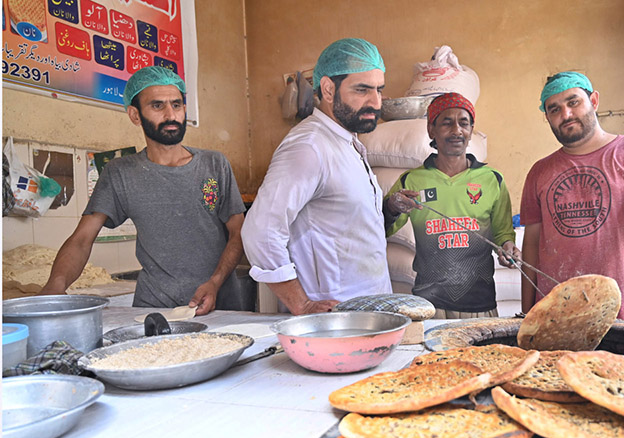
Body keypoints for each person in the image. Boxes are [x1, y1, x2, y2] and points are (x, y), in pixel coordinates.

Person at [40, 66, 246, 315]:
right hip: (153, 310)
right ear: (135, 115)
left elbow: (238, 233)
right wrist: (55, 286)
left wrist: (215, 281)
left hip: (220, 307)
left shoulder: (214, 164)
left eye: (176, 105)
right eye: (157, 106)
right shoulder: (120, 173)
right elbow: (82, 239)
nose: (171, 115)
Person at [241, 38, 393, 315]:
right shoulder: (309, 146)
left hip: (367, 311)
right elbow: (260, 232)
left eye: (379, 90)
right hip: (333, 321)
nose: (375, 102)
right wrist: (300, 303)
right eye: (362, 90)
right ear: (328, 89)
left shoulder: (346, 142)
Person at [519, 71, 624, 321]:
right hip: (553, 315)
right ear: (547, 118)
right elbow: (531, 243)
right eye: (554, 109)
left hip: (620, 311)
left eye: (573, 102)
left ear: (594, 101)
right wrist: (526, 311)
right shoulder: (539, 171)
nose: (566, 114)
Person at [383, 93, 519, 318]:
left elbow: (503, 233)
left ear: (471, 130)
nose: (457, 130)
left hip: (479, 303)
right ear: (431, 130)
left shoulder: (492, 179)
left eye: (463, 123)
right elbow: (382, 229)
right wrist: (392, 207)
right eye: (447, 123)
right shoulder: (412, 181)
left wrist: (507, 247)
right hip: (429, 305)